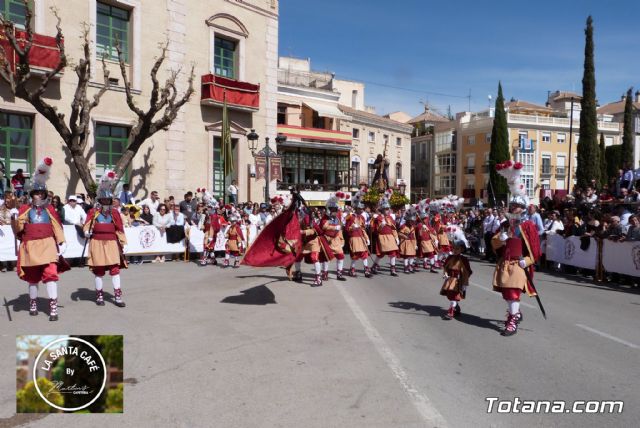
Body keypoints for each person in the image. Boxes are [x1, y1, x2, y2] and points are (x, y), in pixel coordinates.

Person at [491, 160, 542, 337]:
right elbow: (494, 242)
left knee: (513, 293)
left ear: (524, 208)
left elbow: (536, 249)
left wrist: (526, 261)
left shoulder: (528, 226)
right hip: (506, 263)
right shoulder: (505, 224)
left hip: (519, 264)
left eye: (517, 207)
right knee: (506, 293)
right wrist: (501, 239)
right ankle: (515, 312)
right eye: (512, 206)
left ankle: (512, 320)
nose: (514, 209)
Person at [15, 158, 67, 321]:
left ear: (45, 194)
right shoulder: (25, 209)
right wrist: (15, 220)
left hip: (48, 245)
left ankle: (53, 306)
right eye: (36, 193)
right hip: (31, 246)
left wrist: (62, 241)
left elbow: (57, 226)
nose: (39, 195)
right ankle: (33, 303)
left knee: (51, 274)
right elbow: (19, 230)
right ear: (32, 194)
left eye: (41, 193)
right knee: (32, 278)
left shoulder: (50, 209)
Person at [84, 171, 128, 307]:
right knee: (99, 270)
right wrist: (86, 231)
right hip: (97, 243)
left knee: (115, 269)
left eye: (108, 200)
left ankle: (118, 296)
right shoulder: (93, 212)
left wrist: (123, 242)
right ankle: (99, 295)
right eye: (103, 200)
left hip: (111, 243)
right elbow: (86, 225)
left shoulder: (114, 212)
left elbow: (119, 228)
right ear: (99, 200)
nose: (106, 202)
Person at [440, 240, 473, 320]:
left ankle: (450, 312)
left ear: (462, 249)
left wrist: (464, 283)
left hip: (458, 281)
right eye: (453, 248)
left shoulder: (463, 259)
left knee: (454, 296)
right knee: (450, 295)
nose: (455, 250)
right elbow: (445, 267)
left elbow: (467, 271)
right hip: (449, 279)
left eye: (457, 249)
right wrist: (445, 274)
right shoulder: (450, 257)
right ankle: (456, 308)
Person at [320, 193, 347, 281]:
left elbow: (340, 230)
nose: (335, 211)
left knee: (341, 256)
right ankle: (325, 273)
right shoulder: (325, 218)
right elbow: (324, 226)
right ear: (329, 210)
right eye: (333, 209)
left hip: (336, 240)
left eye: (336, 209)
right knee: (326, 258)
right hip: (327, 240)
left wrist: (341, 240)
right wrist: (334, 227)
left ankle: (339, 274)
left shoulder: (337, 218)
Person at [370, 196, 399, 276]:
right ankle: (374, 266)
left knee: (393, 253)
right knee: (381, 254)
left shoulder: (390, 218)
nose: (388, 210)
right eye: (386, 209)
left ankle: (393, 269)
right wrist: (381, 225)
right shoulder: (378, 218)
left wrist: (396, 237)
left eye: (388, 209)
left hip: (390, 237)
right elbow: (376, 230)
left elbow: (393, 229)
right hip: (382, 237)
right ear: (382, 210)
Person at [345, 191, 371, 278]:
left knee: (364, 254)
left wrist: (367, 238)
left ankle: (366, 270)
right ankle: (352, 269)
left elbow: (363, 229)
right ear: (356, 208)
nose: (361, 210)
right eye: (360, 209)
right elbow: (346, 229)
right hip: (354, 238)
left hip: (361, 238)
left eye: (362, 209)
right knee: (355, 255)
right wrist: (353, 227)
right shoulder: (350, 217)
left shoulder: (362, 217)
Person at [201, 191, 221, 266]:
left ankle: (204, 259)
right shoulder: (208, 215)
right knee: (209, 247)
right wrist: (203, 227)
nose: (208, 209)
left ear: (212, 208)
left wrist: (211, 236)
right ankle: (213, 259)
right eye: (208, 207)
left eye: (209, 207)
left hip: (211, 235)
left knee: (208, 246)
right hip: (207, 233)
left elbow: (216, 227)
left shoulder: (214, 216)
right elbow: (206, 224)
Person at [398, 208, 418, 274]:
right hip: (406, 242)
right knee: (406, 255)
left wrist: (415, 244)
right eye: (411, 221)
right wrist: (404, 236)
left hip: (412, 242)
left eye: (413, 221)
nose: (412, 222)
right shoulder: (403, 226)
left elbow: (414, 236)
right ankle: (405, 267)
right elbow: (399, 233)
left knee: (412, 255)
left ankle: (410, 266)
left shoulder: (412, 227)